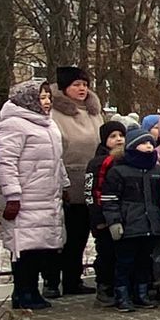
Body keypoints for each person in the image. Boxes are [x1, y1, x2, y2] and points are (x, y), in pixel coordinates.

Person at [0, 80, 69, 311]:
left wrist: (64, 184)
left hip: (47, 196)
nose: (46, 102)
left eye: (48, 98)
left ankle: (32, 290)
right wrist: (13, 195)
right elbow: (6, 162)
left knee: (39, 247)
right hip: (26, 197)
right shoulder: (14, 125)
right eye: (41, 98)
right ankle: (22, 291)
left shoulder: (49, 125)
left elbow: (57, 159)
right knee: (23, 248)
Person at [99, 125, 160, 312]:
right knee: (125, 262)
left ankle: (141, 293)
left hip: (150, 224)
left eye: (151, 143)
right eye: (143, 143)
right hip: (129, 225)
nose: (148, 146)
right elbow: (110, 199)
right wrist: (114, 222)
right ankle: (122, 295)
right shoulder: (119, 171)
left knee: (144, 261)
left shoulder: (157, 171)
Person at [49, 65, 102, 296]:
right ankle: (51, 280)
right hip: (66, 181)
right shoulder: (54, 112)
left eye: (84, 84)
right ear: (64, 88)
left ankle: (73, 279)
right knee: (60, 235)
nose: (82, 89)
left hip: (91, 181)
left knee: (80, 234)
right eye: (76, 85)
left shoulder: (94, 111)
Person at [84, 121, 127, 304]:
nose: (118, 139)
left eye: (121, 136)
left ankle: (120, 287)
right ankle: (104, 287)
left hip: (122, 216)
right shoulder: (98, 163)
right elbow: (90, 193)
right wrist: (98, 219)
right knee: (106, 254)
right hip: (103, 218)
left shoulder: (126, 159)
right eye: (113, 136)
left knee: (122, 255)